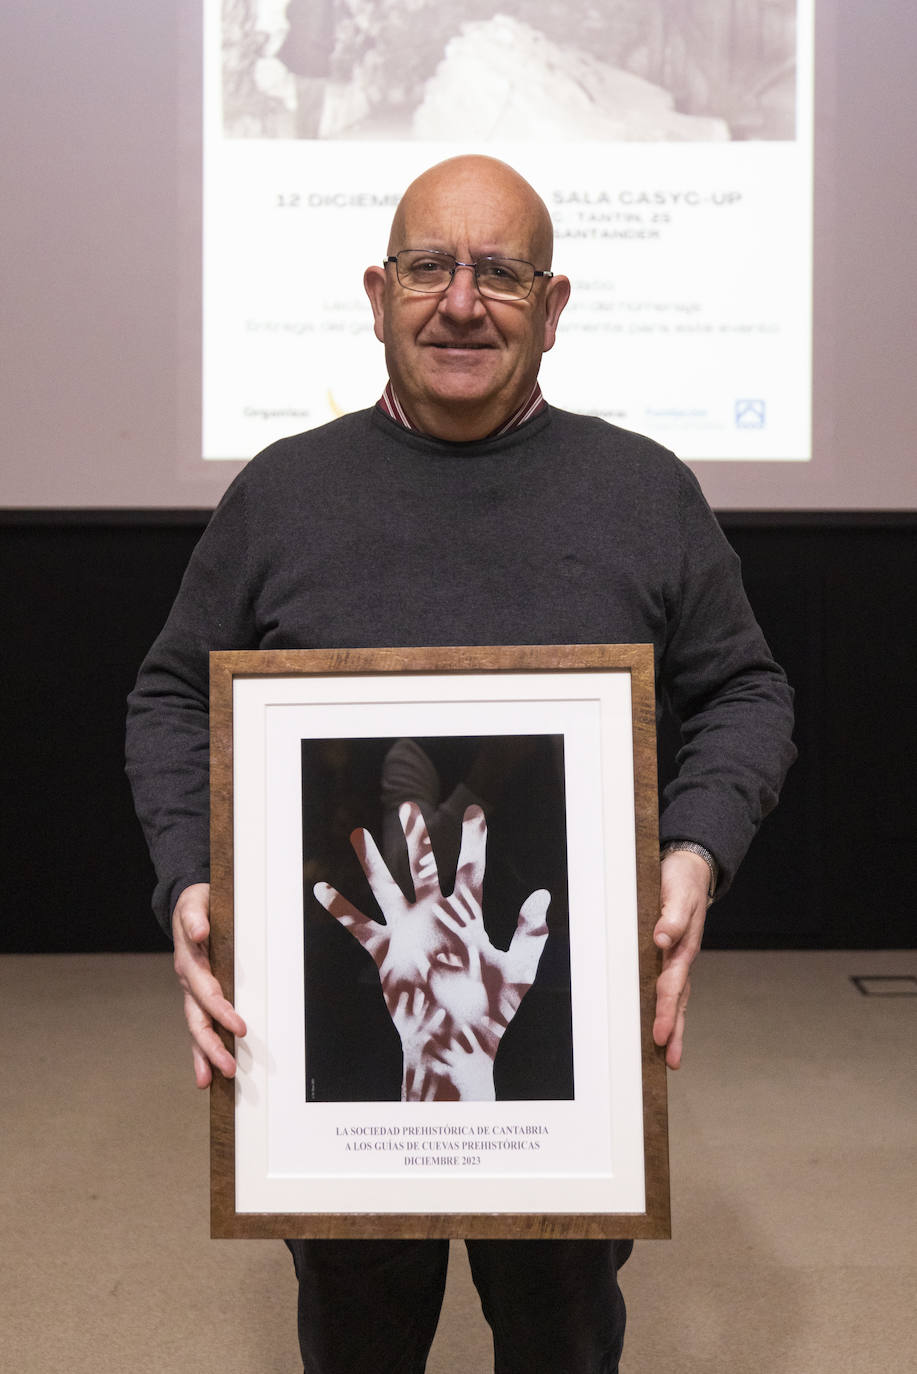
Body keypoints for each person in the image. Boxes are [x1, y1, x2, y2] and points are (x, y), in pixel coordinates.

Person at [126, 154, 795, 1374]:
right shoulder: (281, 495)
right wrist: (190, 877)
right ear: (378, 291)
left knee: (560, 1329)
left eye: (501, 272)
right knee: (357, 1330)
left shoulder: (642, 491)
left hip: (563, 1022)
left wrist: (693, 854)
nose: (460, 301)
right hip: (335, 1017)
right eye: (429, 267)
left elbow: (743, 688)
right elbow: (172, 693)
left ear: (552, 307)